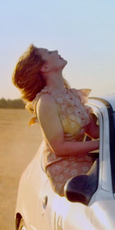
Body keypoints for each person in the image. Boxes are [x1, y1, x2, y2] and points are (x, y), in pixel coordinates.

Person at [12, 44, 99, 196]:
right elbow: (59, 148)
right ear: (45, 67)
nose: (56, 51)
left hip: (85, 161)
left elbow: (93, 132)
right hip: (64, 169)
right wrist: (101, 144)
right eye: (49, 52)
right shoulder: (46, 101)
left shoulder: (73, 95)